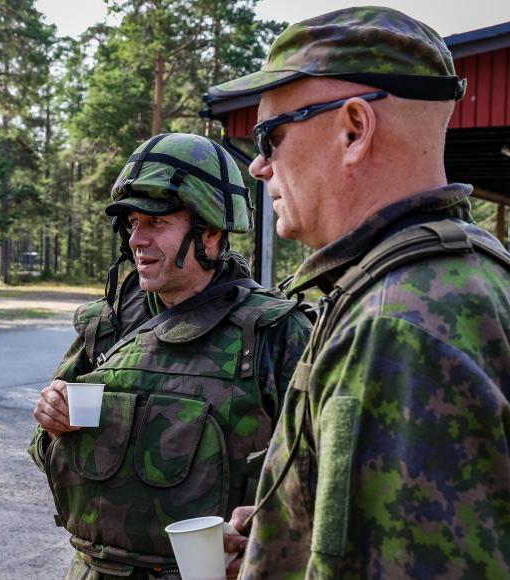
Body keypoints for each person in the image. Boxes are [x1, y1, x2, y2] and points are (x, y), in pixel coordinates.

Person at [208, 7, 510, 578]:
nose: (258, 165)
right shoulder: (459, 276)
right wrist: (285, 537)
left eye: (271, 136)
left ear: (353, 129)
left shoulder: (395, 326)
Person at [28, 133, 312, 579]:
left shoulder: (275, 334)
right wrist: (52, 419)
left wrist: (267, 546)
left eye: (156, 223)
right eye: (133, 222)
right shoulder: (107, 324)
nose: (137, 239)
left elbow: (321, 485)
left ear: (211, 231)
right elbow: (48, 449)